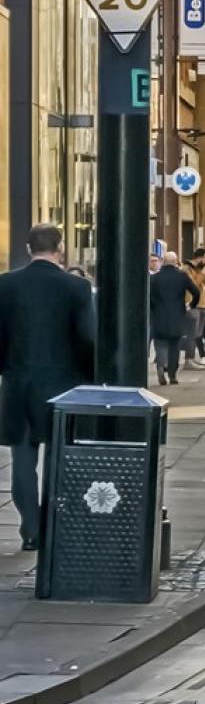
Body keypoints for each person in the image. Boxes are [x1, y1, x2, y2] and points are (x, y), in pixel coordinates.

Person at [0, 225, 94, 552]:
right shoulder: (77, 287)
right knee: (60, 460)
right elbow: (87, 338)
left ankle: (31, 528)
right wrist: (90, 379)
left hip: (19, 387)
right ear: (61, 247)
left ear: (28, 248)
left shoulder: (5, 285)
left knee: (23, 464)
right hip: (64, 387)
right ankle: (56, 524)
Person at [149, 250, 200, 386]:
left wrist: (153, 308)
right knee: (174, 346)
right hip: (177, 315)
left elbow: (148, 297)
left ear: (163, 262)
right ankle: (172, 375)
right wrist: (191, 305)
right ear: (176, 261)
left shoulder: (154, 278)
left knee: (160, 343)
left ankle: (160, 365)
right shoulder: (182, 277)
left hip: (159, 315)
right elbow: (196, 292)